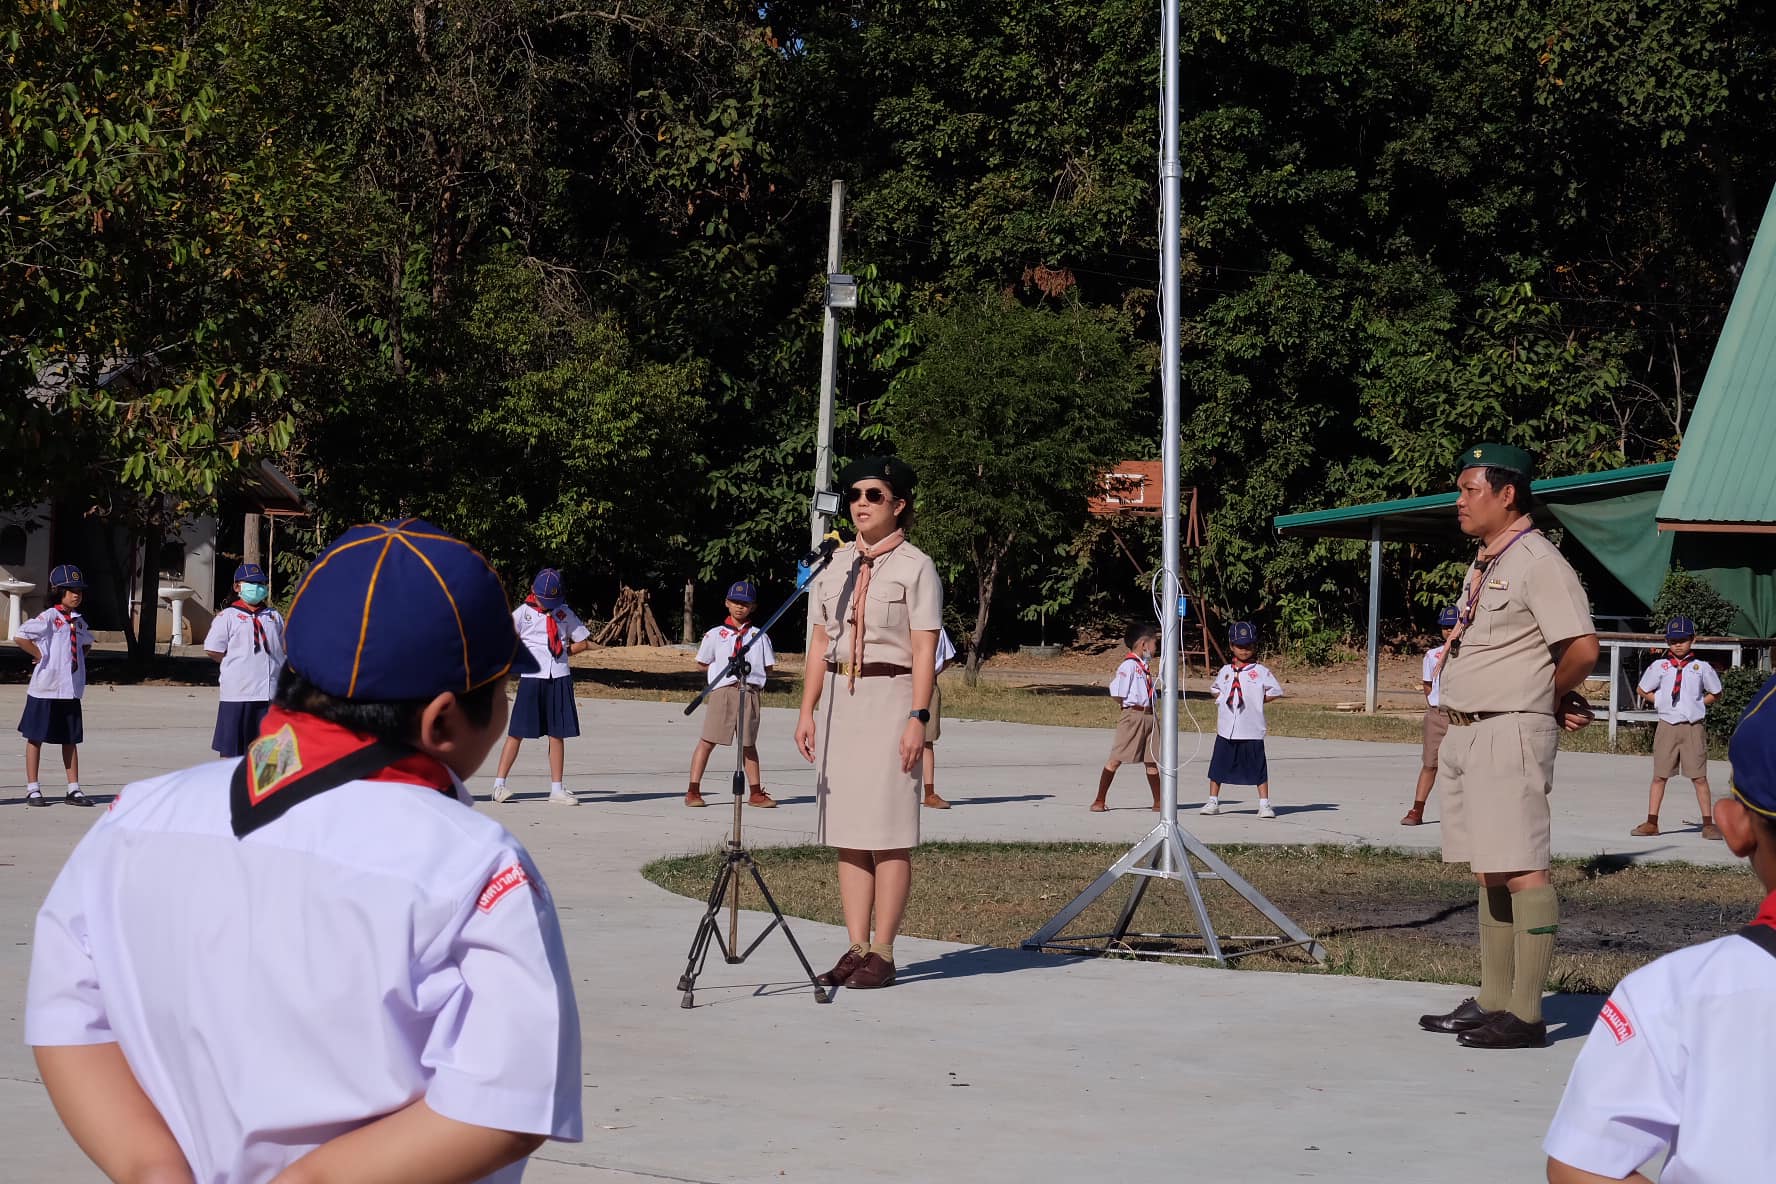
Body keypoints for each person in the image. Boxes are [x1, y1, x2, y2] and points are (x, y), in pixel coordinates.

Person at [25, 517, 581, 1183]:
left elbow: (70, 1021)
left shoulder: (135, 818)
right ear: (442, 720)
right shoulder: (473, 866)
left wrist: (153, 1170)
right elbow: (509, 1104)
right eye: (501, 691)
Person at [1542, 672, 1776, 1182]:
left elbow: (1583, 1166)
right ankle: (1652, 815)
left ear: (1736, 828)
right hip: (1670, 721)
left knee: (1694, 776)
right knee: (1662, 775)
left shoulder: (1674, 993)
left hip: (1690, 722)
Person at [1417, 443, 1599, 1051]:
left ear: (1508, 493)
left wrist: (1549, 694)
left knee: (1522, 866)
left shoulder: (1538, 561)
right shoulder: (1489, 560)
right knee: (1491, 865)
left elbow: (1581, 648)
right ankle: (1494, 998)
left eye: (1470, 489)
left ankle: (1527, 1013)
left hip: (1509, 728)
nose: (1460, 500)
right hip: (1469, 729)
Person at [795, 456, 940, 992]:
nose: (861, 503)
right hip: (841, 701)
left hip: (891, 697)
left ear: (898, 505)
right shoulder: (834, 564)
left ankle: (884, 950)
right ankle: (856, 946)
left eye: (873, 495)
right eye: (855, 494)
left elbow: (923, 651)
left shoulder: (916, 567)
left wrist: (917, 717)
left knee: (888, 833)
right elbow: (819, 642)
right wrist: (807, 710)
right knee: (849, 832)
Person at [491, 568, 593, 806]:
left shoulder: (564, 613)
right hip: (532, 677)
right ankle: (498, 785)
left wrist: (564, 651)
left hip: (559, 676)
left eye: (552, 602)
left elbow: (583, 642)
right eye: (544, 600)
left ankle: (556, 789)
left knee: (557, 734)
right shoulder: (523, 613)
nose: (548, 606)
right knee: (517, 732)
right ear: (532, 592)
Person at [685, 579, 777, 809]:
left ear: (753, 607)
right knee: (708, 740)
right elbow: (702, 663)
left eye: (745, 604)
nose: (739, 607)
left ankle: (755, 792)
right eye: (735, 602)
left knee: (748, 744)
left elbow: (768, 667)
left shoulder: (759, 635)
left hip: (750, 692)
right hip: (724, 692)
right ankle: (693, 790)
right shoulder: (715, 634)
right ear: (727, 602)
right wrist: (720, 673)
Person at [1630, 615, 1722, 840]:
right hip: (1667, 726)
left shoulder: (1701, 667)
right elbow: (1642, 689)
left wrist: (1699, 704)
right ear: (1667, 641)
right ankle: (1652, 822)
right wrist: (1660, 701)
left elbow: (1716, 692)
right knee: (1659, 776)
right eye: (1673, 641)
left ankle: (1708, 824)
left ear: (1693, 640)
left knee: (1699, 777)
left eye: (1683, 640)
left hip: (1692, 727)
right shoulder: (1660, 666)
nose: (1678, 645)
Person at [16, 563, 95, 807]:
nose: (76, 595)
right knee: (35, 737)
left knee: (70, 739)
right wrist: (39, 654)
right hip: (46, 688)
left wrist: (78, 659)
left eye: (79, 591)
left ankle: (73, 788)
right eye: (71, 590)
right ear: (58, 591)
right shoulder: (50, 617)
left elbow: (86, 643)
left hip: (70, 689)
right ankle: (33, 788)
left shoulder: (78, 621)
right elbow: (21, 635)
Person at [203, 562, 287, 759]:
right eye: (251, 583)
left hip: (269, 692)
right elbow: (213, 649)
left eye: (261, 584)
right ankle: (229, 778)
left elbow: (284, 647)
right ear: (237, 587)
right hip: (238, 693)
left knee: (269, 750)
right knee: (232, 749)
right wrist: (235, 664)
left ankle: (264, 779)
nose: (257, 588)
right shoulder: (228, 616)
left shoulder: (273, 616)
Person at [1201, 621, 1284, 818]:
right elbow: (1215, 689)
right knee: (1218, 765)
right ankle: (1213, 800)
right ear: (1231, 646)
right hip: (1227, 728)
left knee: (1258, 766)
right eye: (1240, 646)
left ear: (1254, 646)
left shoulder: (1260, 671)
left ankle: (1264, 804)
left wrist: (1259, 700)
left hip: (1251, 728)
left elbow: (1275, 691)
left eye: (1248, 646)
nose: (1244, 650)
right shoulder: (1225, 671)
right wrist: (1222, 699)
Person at [1090, 621, 1161, 812]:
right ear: (1144, 644)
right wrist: (1129, 709)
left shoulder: (1143, 666)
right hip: (1133, 715)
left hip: (1150, 716)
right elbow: (1118, 693)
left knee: (1152, 761)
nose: (1155, 648)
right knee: (1116, 758)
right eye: (1154, 643)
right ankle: (1099, 800)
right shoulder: (1128, 666)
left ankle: (1159, 802)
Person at [1402, 605, 1460, 826]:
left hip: (1462, 715)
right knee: (1430, 763)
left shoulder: (1472, 654)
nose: (1448, 630)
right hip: (1438, 714)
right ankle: (1417, 810)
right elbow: (1427, 684)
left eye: (1452, 626)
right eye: (1445, 627)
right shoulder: (1432, 655)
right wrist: (1434, 704)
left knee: (1467, 765)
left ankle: (1466, 812)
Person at [922, 627, 957, 809]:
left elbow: (948, 657)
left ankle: (929, 793)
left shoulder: (937, 628)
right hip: (902, 683)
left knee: (926, 741)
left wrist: (932, 673)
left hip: (928, 684)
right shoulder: (902, 625)